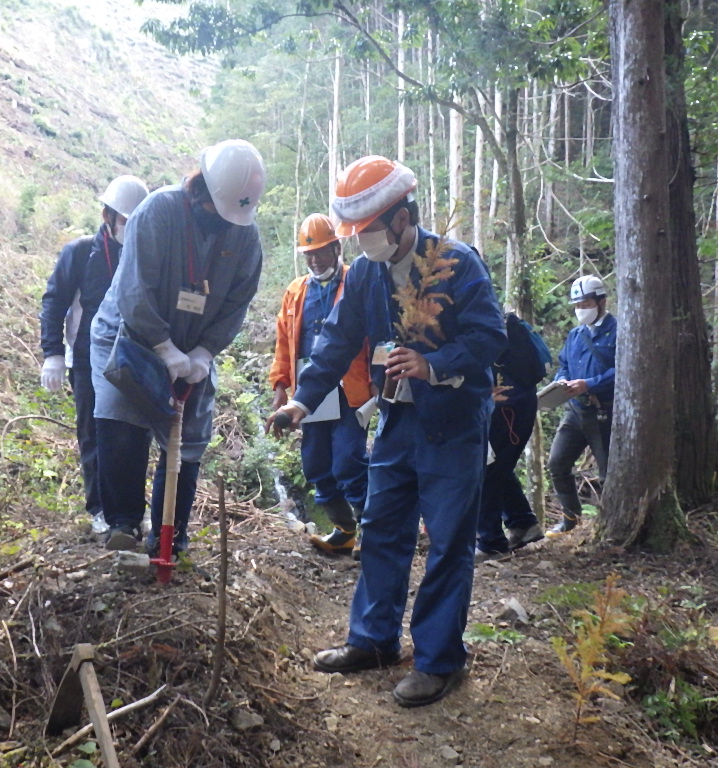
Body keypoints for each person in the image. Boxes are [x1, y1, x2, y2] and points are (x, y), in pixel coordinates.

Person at [267, 156, 506, 708]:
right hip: (397, 421)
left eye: (367, 230)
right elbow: (335, 338)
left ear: (401, 219)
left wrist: (434, 363)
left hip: (453, 423)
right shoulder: (368, 274)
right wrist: (301, 402)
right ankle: (373, 640)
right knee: (381, 528)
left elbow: (490, 336)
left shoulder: (457, 263)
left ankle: (439, 660)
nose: (361, 241)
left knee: (447, 541)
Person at [90, 140, 266, 556]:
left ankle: (171, 532)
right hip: (130, 333)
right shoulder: (157, 211)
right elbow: (134, 289)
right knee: (122, 421)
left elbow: (237, 302)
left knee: (188, 438)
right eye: (215, 214)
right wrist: (163, 347)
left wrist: (204, 352)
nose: (222, 224)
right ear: (200, 190)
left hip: (194, 347)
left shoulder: (244, 234)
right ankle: (124, 523)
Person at [40, 175, 149, 531]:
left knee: (132, 434)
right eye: (126, 222)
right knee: (94, 433)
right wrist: (53, 353)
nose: (130, 229)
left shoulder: (144, 255)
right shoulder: (80, 253)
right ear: (108, 216)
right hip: (87, 359)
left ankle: (129, 511)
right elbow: (54, 302)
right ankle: (100, 508)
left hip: (133, 360)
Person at [269, 213, 373, 557]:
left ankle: (373, 528)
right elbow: (284, 343)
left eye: (321, 252)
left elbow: (375, 338)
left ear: (336, 248)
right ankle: (344, 530)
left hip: (351, 389)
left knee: (348, 461)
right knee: (316, 465)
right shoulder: (296, 292)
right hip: (310, 392)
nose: (314, 260)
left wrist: (378, 385)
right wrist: (281, 385)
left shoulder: (356, 283)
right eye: (308, 255)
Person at [545, 274, 617, 538]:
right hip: (574, 409)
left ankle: (609, 524)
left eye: (585, 304)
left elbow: (624, 369)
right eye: (576, 305)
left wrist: (591, 383)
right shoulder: (575, 335)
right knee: (557, 463)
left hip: (603, 410)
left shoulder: (619, 330)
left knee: (608, 472)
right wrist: (560, 381)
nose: (580, 310)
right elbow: (564, 363)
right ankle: (570, 519)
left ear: (600, 301)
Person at [475, 313, 550, 559]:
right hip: (515, 405)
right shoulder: (494, 323)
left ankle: (491, 541)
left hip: (507, 407)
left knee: (487, 469)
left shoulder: (485, 327)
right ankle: (523, 523)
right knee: (498, 467)